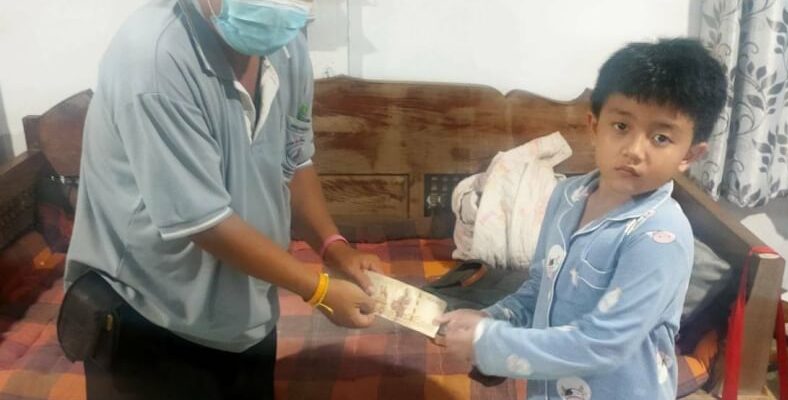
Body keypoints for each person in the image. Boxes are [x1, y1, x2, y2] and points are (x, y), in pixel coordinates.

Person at [59, 0, 381, 399]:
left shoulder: (286, 46)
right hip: (149, 317)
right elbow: (203, 221)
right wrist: (316, 289)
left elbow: (295, 159)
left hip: (246, 314)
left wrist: (334, 247)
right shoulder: (154, 58)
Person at [436, 38, 727, 400]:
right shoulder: (567, 197)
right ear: (594, 125)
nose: (634, 150)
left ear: (690, 155)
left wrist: (489, 343)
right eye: (621, 126)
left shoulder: (660, 235)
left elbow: (603, 344)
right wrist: (493, 318)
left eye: (661, 137)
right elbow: (539, 287)